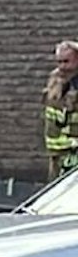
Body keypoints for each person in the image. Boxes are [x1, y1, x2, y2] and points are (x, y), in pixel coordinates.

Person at [45, 41, 78, 181]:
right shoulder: (54, 84)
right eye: (59, 62)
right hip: (60, 160)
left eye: (66, 61)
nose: (62, 67)